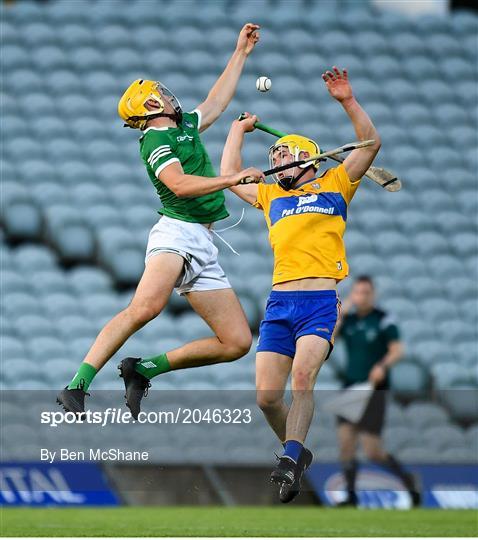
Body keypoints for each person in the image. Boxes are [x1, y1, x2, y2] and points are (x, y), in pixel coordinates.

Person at [57, 23, 265, 417]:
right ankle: (77, 385)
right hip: (176, 234)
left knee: (236, 342)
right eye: (161, 94)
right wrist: (232, 177)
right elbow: (180, 184)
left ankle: (143, 368)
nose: (169, 95)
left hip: (203, 245)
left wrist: (240, 53)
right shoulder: (156, 141)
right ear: (152, 106)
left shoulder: (184, 125)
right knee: (146, 307)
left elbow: (216, 102)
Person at [220, 66, 381, 502]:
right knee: (267, 398)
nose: (275, 165)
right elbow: (230, 172)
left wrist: (347, 100)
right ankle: (297, 452)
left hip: (320, 302)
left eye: (282, 157)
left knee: (303, 379)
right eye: (272, 160)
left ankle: (289, 459)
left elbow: (371, 143)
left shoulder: (336, 184)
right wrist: (239, 130)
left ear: (306, 159)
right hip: (279, 306)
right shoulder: (271, 197)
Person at [333, 275, 420, 507]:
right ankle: (351, 496)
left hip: (374, 390)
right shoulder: (348, 320)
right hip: (351, 386)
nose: (362, 297)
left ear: (373, 294)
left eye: (366, 293)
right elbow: (331, 333)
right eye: (358, 292)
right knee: (345, 442)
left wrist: (382, 366)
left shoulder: (383, 320)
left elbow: (397, 350)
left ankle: (408, 479)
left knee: (372, 450)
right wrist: (345, 307)